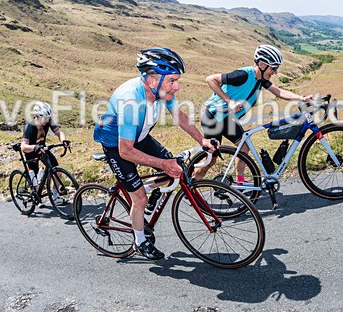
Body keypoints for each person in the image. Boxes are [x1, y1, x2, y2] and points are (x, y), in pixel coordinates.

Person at [93, 47, 217, 261]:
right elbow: (126, 151)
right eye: (172, 81)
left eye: (177, 81)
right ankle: (139, 241)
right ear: (152, 80)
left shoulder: (162, 91)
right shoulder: (131, 100)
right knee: (140, 198)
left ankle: (150, 189)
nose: (177, 87)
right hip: (118, 145)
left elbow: (180, 116)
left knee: (172, 167)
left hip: (139, 137)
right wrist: (163, 164)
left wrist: (202, 140)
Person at [195, 44, 313, 180]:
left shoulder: (261, 79)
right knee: (210, 160)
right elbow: (211, 79)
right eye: (274, 67)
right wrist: (229, 101)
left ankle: (240, 182)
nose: (275, 72)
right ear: (262, 65)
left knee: (244, 148)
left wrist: (302, 98)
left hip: (227, 119)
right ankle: (192, 184)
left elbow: (279, 92)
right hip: (214, 118)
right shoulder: (243, 75)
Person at [20, 102, 70, 199]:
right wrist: (34, 147)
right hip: (31, 152)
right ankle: (36, 196)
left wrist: (63, 140)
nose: (47, 120)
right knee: (36, 184)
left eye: (48, 118)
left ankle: (54, 197)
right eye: (45, 118)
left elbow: (59, 133)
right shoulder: (29, 126)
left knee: (57, 172)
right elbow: (23, 147)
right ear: (37, 116)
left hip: (42, 149)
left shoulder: (48, 120)